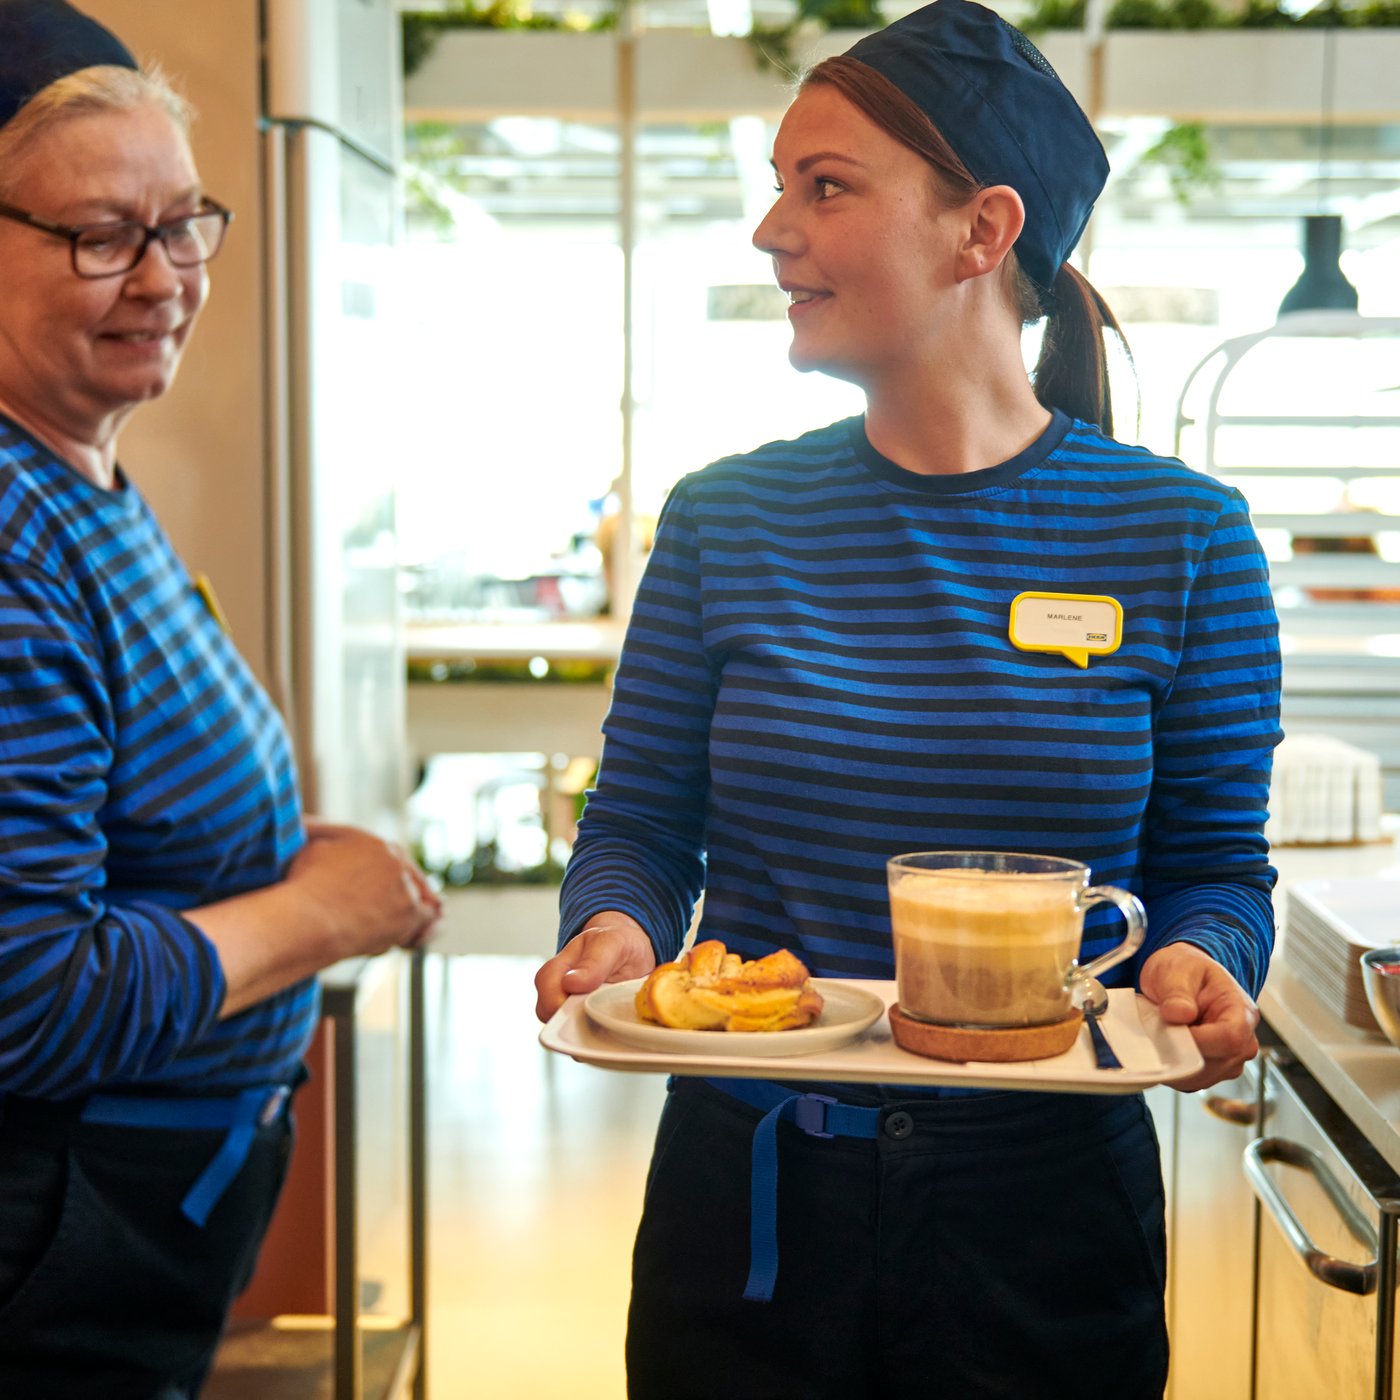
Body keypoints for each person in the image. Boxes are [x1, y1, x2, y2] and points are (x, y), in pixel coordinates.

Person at [535, 3, 1282, 1396]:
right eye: (776, 186)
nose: (771, 230)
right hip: (750, 1209)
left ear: (981, 233)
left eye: (825, 186)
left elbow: (1215, 868)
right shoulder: (726, 520)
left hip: (1046, 1224)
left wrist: (1204, 959)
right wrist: (615, 929)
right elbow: (639, 815)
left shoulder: (1184, 538)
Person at [0, 3, 441, 1394]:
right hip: (51, 1234)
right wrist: (320, 912)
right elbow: (28, 1004)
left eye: (184, 223)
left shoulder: (77, 477)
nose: (165, 276)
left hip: (143, 1210)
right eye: (99, 234)